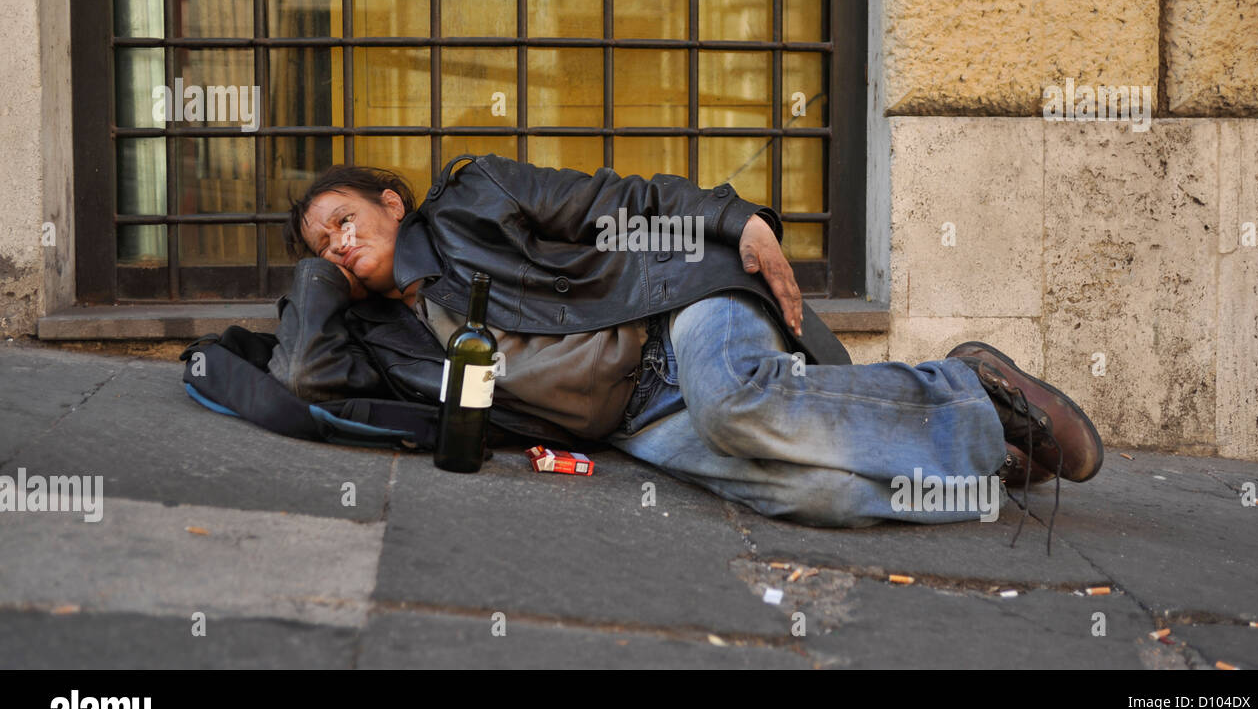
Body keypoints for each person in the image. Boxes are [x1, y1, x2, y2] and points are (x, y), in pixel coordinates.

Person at [271, 154, 1103, 546]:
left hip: (679, 315)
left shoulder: (472, 200)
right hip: (631, 421)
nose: (338, 244)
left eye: (344, 221)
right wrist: (319, 285)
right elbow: (308, 374)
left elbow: (618, 201)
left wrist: (736, 219)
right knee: (818, 497)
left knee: (737, 399)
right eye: (321, 246)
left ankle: (973, 391)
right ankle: (988, 465)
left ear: (391, 202)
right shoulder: (377, 337)